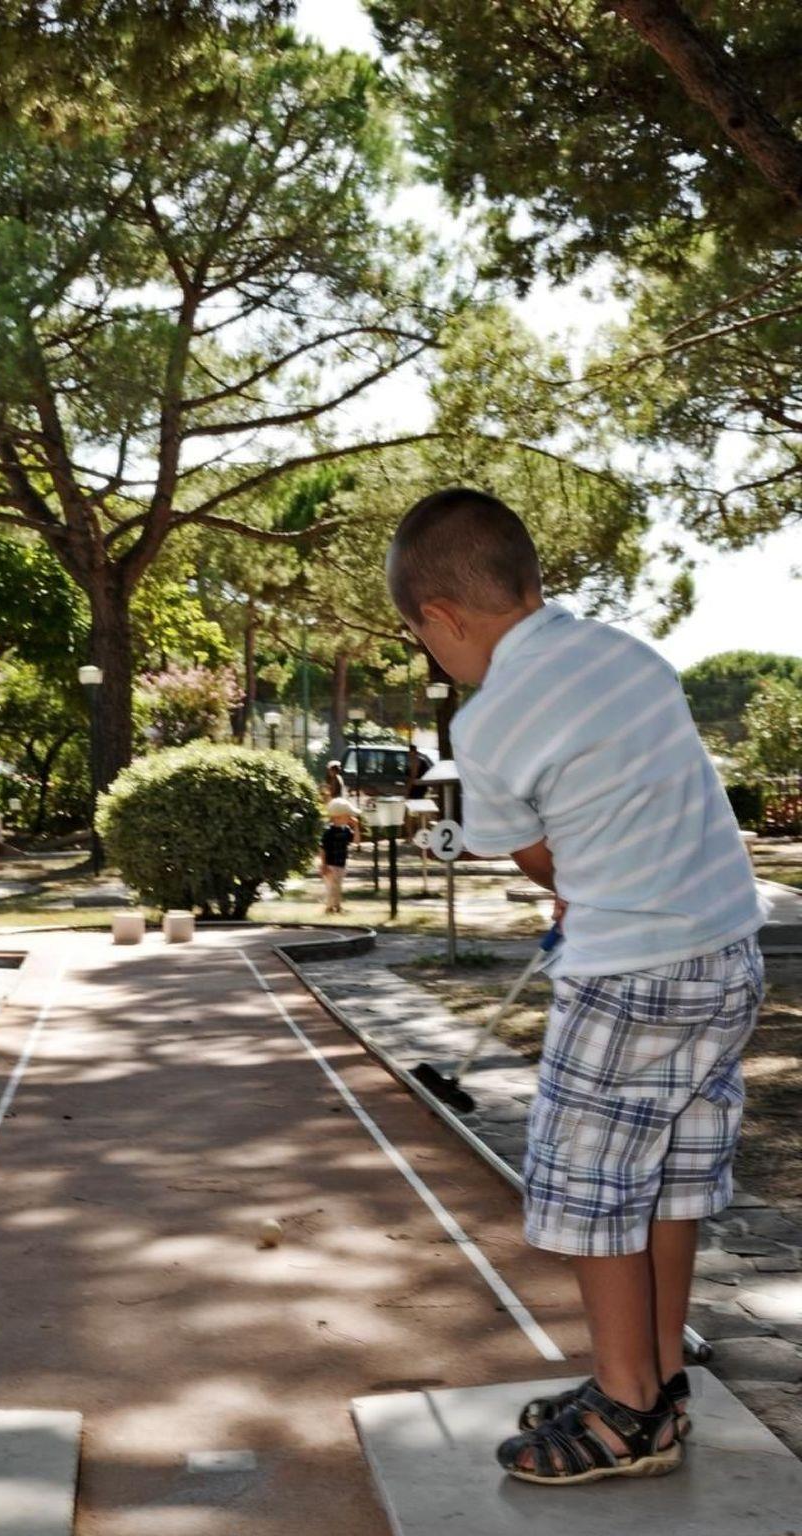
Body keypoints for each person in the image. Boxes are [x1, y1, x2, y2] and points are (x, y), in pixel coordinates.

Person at [386, 486, 763, 1488]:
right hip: (726, 951)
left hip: (628, 968)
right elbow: (651, 799)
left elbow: (540, 859)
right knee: (668, 1173)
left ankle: (625, 1409)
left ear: (441, 619)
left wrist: (579, 880)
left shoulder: (489, 723)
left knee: (592, 1185)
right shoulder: (631, 656)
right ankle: (661, 1375)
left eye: (427, 643)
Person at [319, 797, 357, 914]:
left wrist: (356, 827)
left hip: (341, 863)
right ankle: (329, 908)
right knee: (331, 887)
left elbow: (356, 841)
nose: (350, 817)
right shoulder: (328, 831)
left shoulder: (346, 830)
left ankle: (337, 906)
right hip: (330, 864)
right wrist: (324, 865)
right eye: (347, 815)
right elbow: (323, 849)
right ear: (339, 816)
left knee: (338, 886)